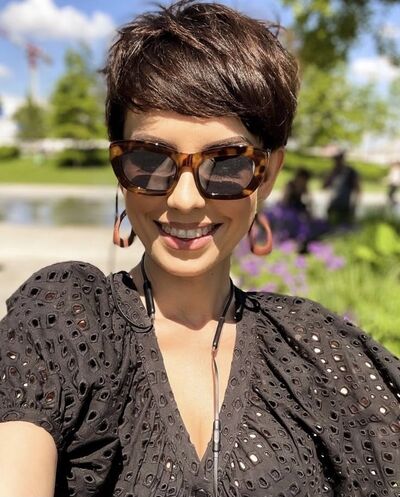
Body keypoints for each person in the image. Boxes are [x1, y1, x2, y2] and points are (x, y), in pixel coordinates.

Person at [0, 2, 399, 497]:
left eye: (226, 163)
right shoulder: (63, 320)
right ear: (119, 168)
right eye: (150, 159)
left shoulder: (319, 350)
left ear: (268, 174)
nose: (184, 200)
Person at [323, 150, 361, 226]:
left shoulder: (350, 172)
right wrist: (331, 175)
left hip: (345, 205)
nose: (337, 162)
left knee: (345, 226)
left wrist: (354, 205)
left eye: (339, 159)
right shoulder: (333, 172)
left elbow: (357, 189)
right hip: (333, 204)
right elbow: (324, 186)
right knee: (331, 225)